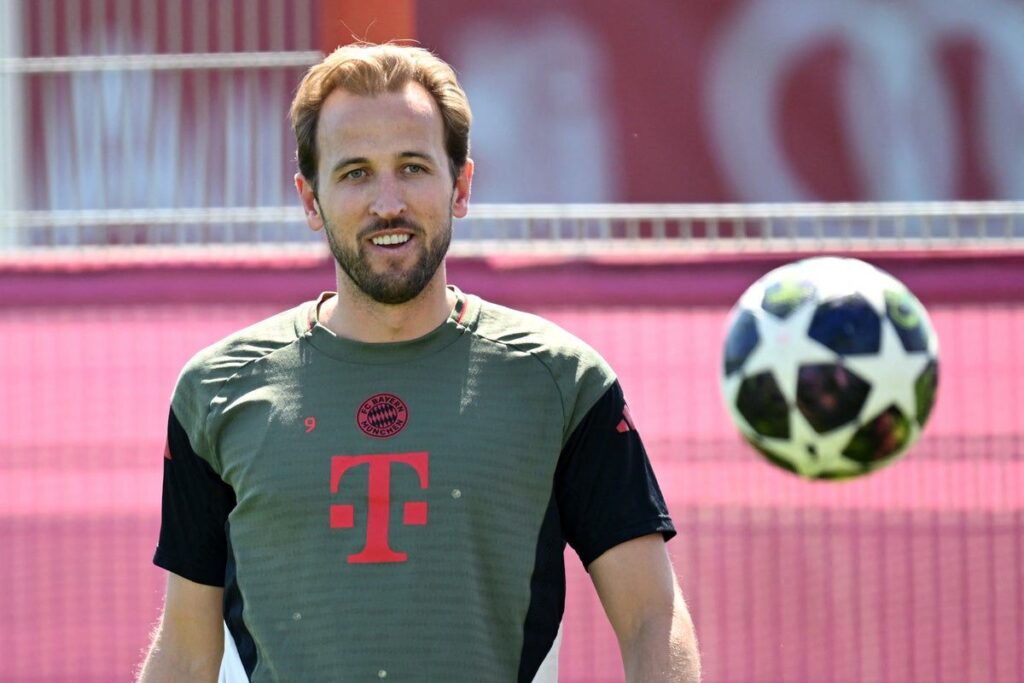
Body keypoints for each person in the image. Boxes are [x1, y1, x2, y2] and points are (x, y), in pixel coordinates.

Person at [138, 42, 701, 683]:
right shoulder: (215, 391)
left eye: (412, 167)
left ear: (461, 185)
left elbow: (652, 618)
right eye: (355, 173)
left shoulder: (563, 384)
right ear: (310, 200)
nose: (388, 203)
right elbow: (185, 652)